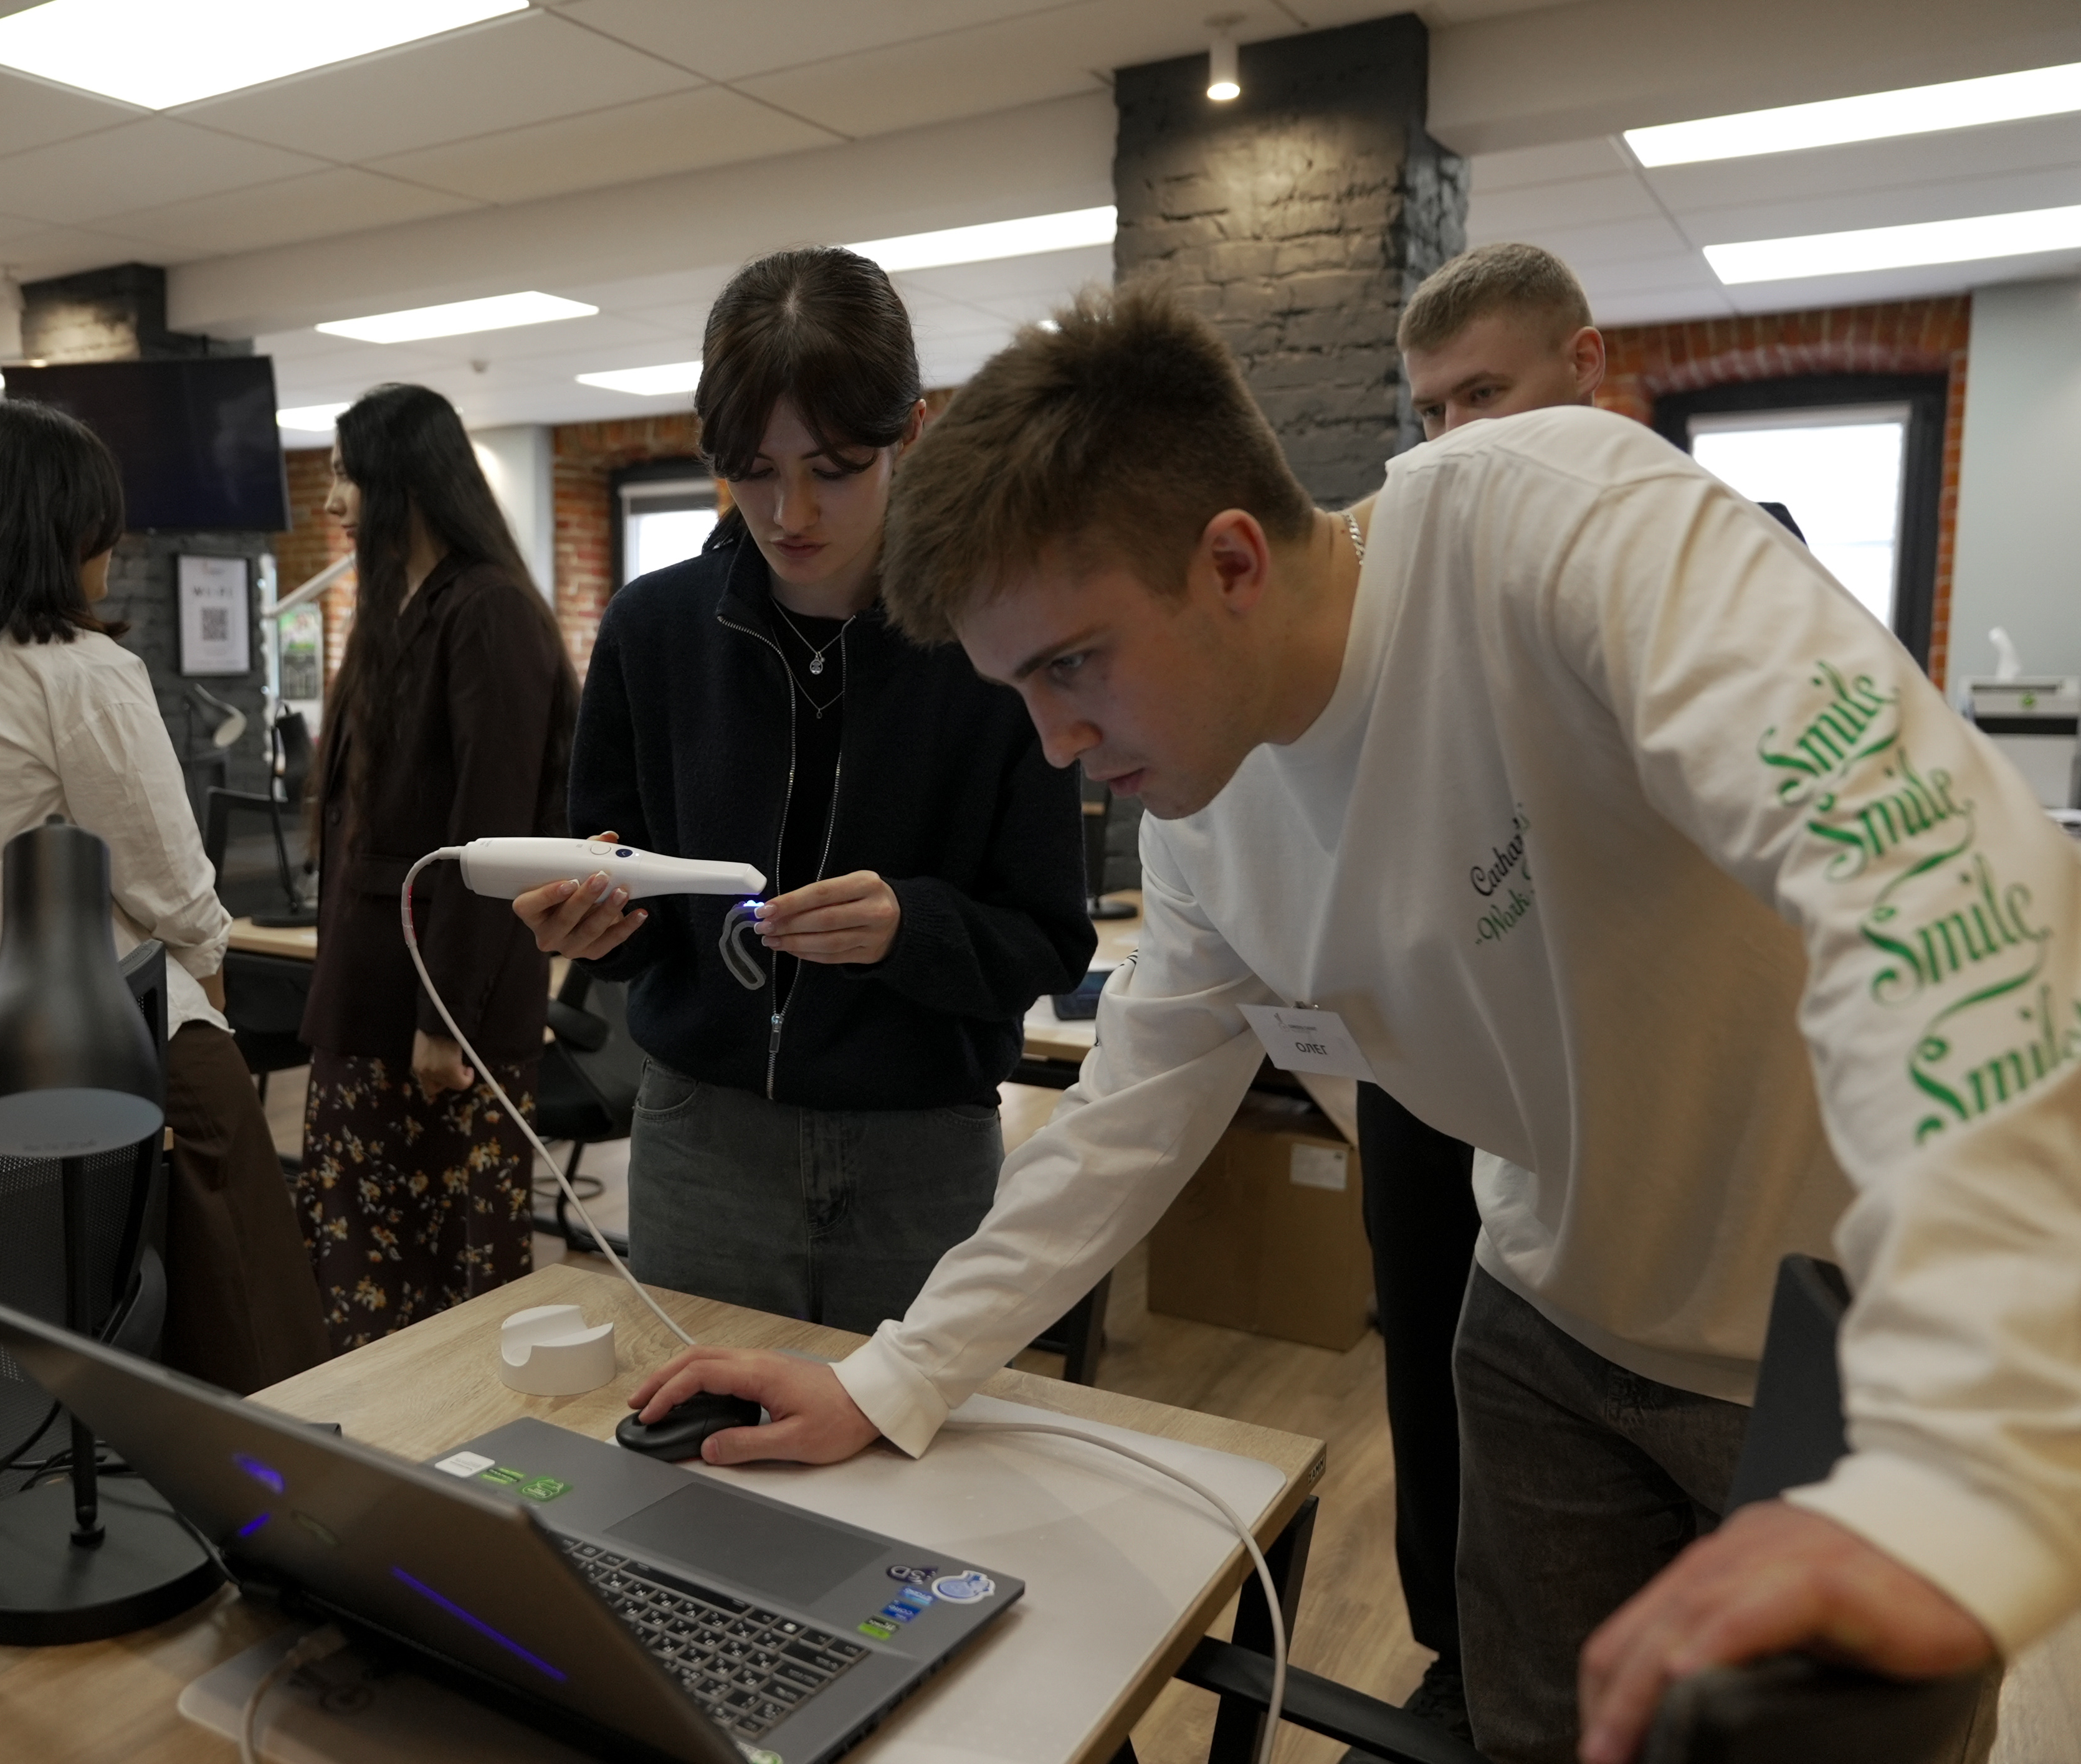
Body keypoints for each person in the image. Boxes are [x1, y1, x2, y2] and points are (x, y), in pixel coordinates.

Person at [628, 277, 2081, 1764]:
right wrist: (889, 1377)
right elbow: (1126, 1120)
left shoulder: (1555, 523)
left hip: (1836, 1330)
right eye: (1019, 691)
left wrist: (1957, 1441)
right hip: (1539, 1315)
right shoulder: (1200, 815)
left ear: (1230, 561)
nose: (1053, 744)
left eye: (1069, 665)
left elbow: (1941, 882)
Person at [510, 248, 1093, 1334]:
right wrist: (594, 928)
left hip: (923, 1149)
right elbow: (635, 917)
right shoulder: (653, 632)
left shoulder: (995, 638)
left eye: (834, 468)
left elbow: (1051, 942)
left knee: (913, 1439)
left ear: (910, 433)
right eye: (754, 469)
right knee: (700, 1427)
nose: (790, 513)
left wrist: (910, 927)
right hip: (702, 1142)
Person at [0, 399, 326, 1395]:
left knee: (50, 1324)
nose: (118, 544)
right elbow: (167, 878)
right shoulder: (76, 668)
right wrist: (210, 974)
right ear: (60, 528)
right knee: (252, 1319)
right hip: (98, 1051)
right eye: (104, 523)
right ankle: (271, 1462)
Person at [1342, 240, 1617, 1753]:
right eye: (1429, 412)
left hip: (1600, 1062)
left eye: (1483, 397)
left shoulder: (1697, 554)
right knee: (1429, 1343)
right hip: (1432, 1055)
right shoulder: (1399, 591)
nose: (1451, 444)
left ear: (1584, 369)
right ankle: (1457, 1650)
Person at [294, 383, 578, 1352]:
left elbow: (490, 832)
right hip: (369, 992)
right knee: (359, 1268)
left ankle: (455, 1445)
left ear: (405, 482)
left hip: (441, 1013)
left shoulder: (488, 610)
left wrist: (441, 1017)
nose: (332, 501)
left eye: (346, 475)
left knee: (452, 1280)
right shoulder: (395, 610)